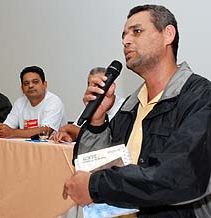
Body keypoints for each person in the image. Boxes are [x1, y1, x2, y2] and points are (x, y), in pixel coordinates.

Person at [63, 4, 211, 218]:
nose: (126, 40)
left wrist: (96, 186)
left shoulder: (200, 97)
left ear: (168, 34)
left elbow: (179, 176)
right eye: (123, 35)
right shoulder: (130, 106)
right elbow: (95, 166)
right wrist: (97, 121)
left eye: (137, 31)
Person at [0, 66, 66, 138]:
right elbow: (8, 126)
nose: (30, 86)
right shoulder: (20, 102)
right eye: (26, 83)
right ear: (22, 89)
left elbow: (45, 131)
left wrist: (13, 132)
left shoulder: (54, 101)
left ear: (44, 85)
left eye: (35, 82)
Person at [51, 67, 124, 143]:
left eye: (99, 85)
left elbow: (108, 138)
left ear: (111, 86)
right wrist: (66, 135)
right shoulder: (92, 105)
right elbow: (78, 132)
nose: (94, 89)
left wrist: (69, 127)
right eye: (91, 85)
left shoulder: (125, 106)